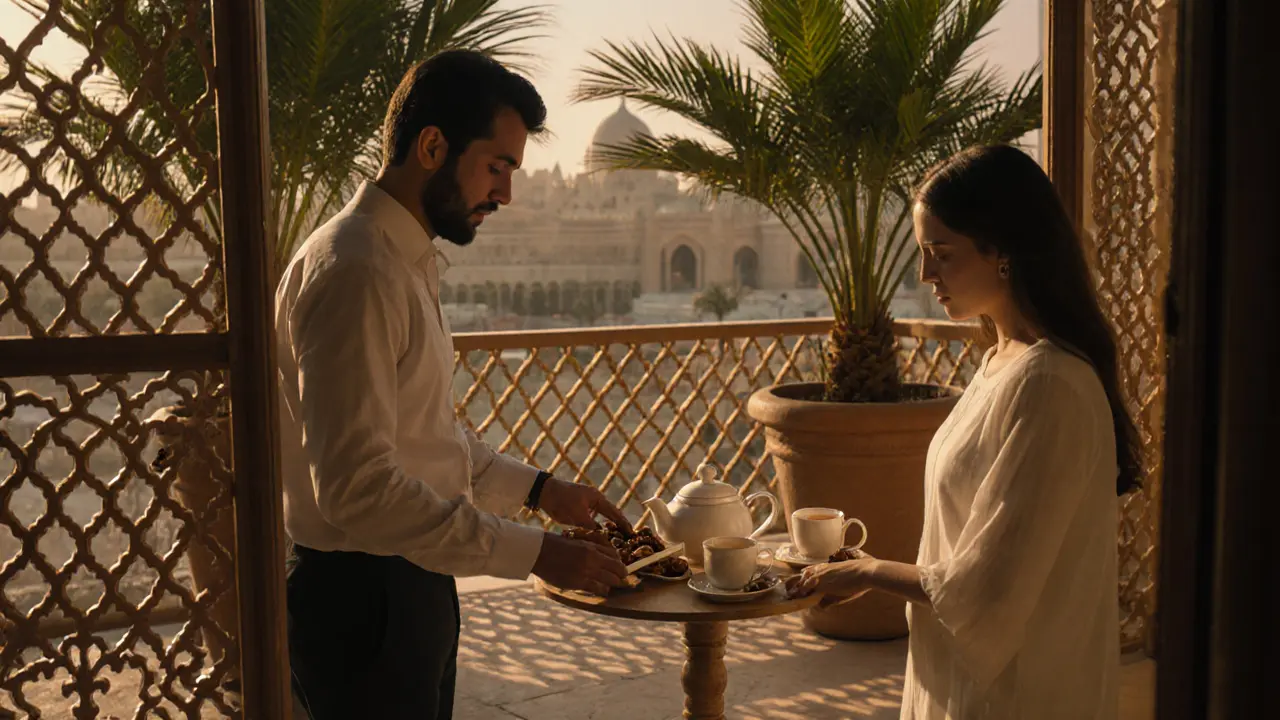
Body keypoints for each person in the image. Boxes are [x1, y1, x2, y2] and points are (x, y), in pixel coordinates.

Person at [275, 50, 631, 720]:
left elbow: (425, 433)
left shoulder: (397, 260)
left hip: (406, 582)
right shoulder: (358, 270)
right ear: (433, 146)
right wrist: (536, 554)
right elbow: (358, 486)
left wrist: (538, 492)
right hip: (364, 600)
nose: (505, 194)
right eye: (496, 167)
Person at [787, 145, 1140, 719]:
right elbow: (972, 538)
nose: (926, 275)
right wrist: (869, 571)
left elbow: (991, 589)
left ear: (1002, 251)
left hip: (1017, 692)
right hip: (964, 672)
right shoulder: (1002, 362)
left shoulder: (1048, 384)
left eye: (942, 255)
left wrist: (872, 572)